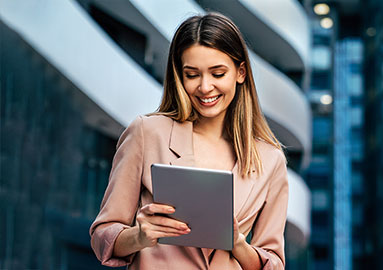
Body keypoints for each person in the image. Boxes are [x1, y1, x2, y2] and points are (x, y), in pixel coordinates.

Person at [89, 13, 288, 270]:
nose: (205, 87)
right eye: (192, 74)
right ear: (179, 76)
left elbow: (273, 263)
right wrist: (138, 236)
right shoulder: (147, 133)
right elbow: (102, 236)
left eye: (218, 73)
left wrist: (238, 243)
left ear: (240, 73)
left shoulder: (270, 159)